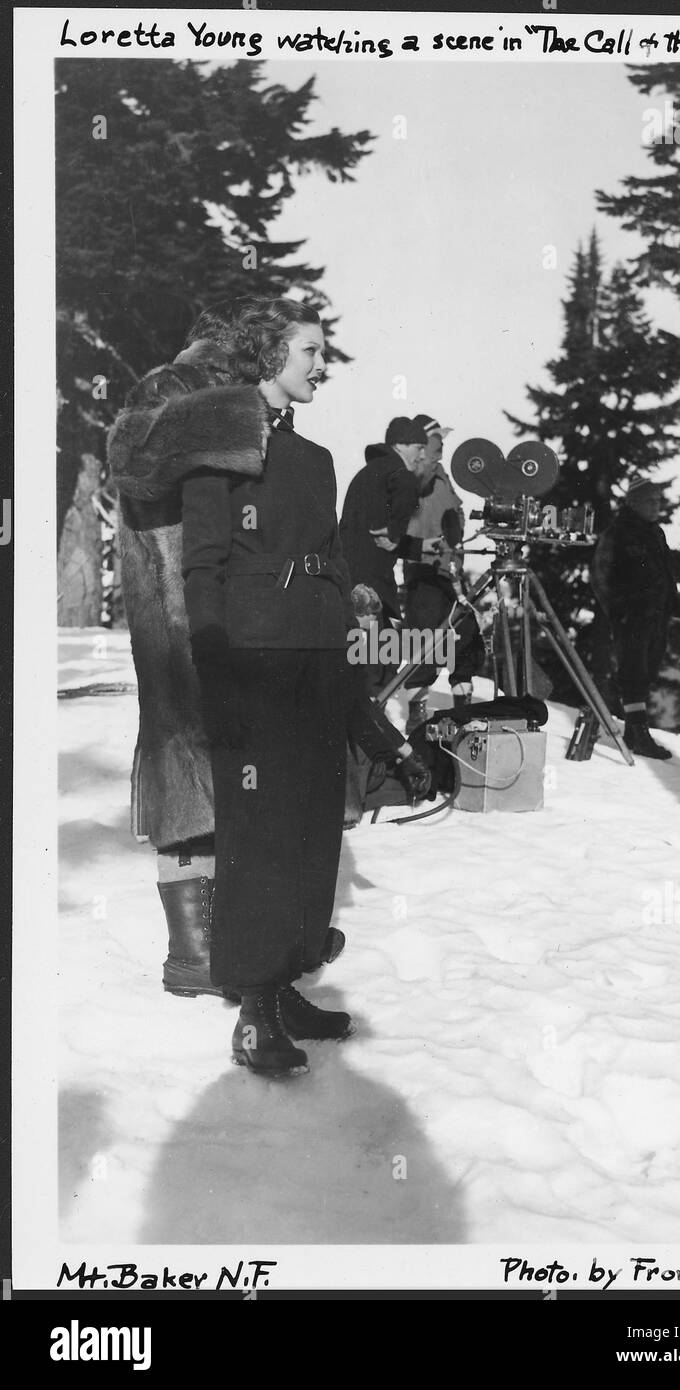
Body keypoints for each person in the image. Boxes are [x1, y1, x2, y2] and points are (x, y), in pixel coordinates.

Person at [109, 299, 427, 1006]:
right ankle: (195, 948)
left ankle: (267, 933)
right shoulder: (175, 389)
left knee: (249, 774)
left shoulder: (245, 410)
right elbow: (133, 458)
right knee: (188, 759)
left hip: (234, 605)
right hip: (182, 607)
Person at [180, 297, 368, 1077]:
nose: (322, 364)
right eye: (310, 350)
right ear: (267, 355)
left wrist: (347, 600)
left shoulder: (318, 459)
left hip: (317, 650)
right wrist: (214, 659)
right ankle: (253, 1008)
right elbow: (202, 564)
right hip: (253, 653)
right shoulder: (217, 447)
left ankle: (286, 978)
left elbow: (325, 550)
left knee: (313, 822)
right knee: (259, 827)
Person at [338, 416, 442, 693]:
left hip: (355, 575)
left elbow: (377, 536)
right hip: (373, 582)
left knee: (367, 652)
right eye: (419, 447)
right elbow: (390, 530)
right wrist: (397, 533)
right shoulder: (399, 472)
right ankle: (370, 720)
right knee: (382, 657)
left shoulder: (373, 472)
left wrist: (419, 546)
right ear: (402, 445)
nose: (422, 455)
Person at [590, 477, 680, 760]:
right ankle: (638, 733)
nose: (657, 506)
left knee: (647, 670)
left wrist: (669, 607)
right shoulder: (617, 533)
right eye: (650, 501)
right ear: (634, 503)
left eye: (658, 501)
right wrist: (621, 612)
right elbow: (600, 576)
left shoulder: (655, 532)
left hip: (656, 616)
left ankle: (634, 730)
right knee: (633, 672)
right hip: (631, 618)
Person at [402, 413, 485, 725]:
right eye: (437, 443)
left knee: (465, 637)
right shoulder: (417, 473)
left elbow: (455, 512)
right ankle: (416, 714)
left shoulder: (440, 475)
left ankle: (462, 706)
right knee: (424, 641)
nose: (441, 450)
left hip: (450, 572)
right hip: (424, 573)